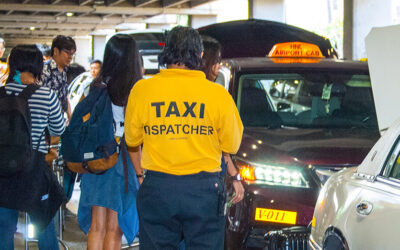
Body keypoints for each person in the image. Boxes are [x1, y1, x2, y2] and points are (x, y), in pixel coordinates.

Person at [125, 26, 244, 249]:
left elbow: (132, 140)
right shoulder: (218, 95)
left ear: (166, 52)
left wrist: (142, 177)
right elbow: (232, 144)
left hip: (158, 188)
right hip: (204, 192)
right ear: (200, 56)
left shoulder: (142, 90)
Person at [77, 34, 142, 250]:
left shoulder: (93, 87)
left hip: (95, 162)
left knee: (96, 226)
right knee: (114, 229)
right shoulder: (136, 91)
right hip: (122, 164)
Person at [0, 44, 65, 250]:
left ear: (13, 65)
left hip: (2, 170)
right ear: (38, 66)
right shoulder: (46, 95)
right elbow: (58, 128)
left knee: (4, 228)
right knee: (44, 225)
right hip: (34, 168)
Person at [41, 35, 76, 121]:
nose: (70, 57)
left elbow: (65, 96)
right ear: (56, 51)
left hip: (59, 121)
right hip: (46, 123)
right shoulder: (44, 70)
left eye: (72, 53)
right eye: (67, 52)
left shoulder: (64, 71)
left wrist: (69, 116)